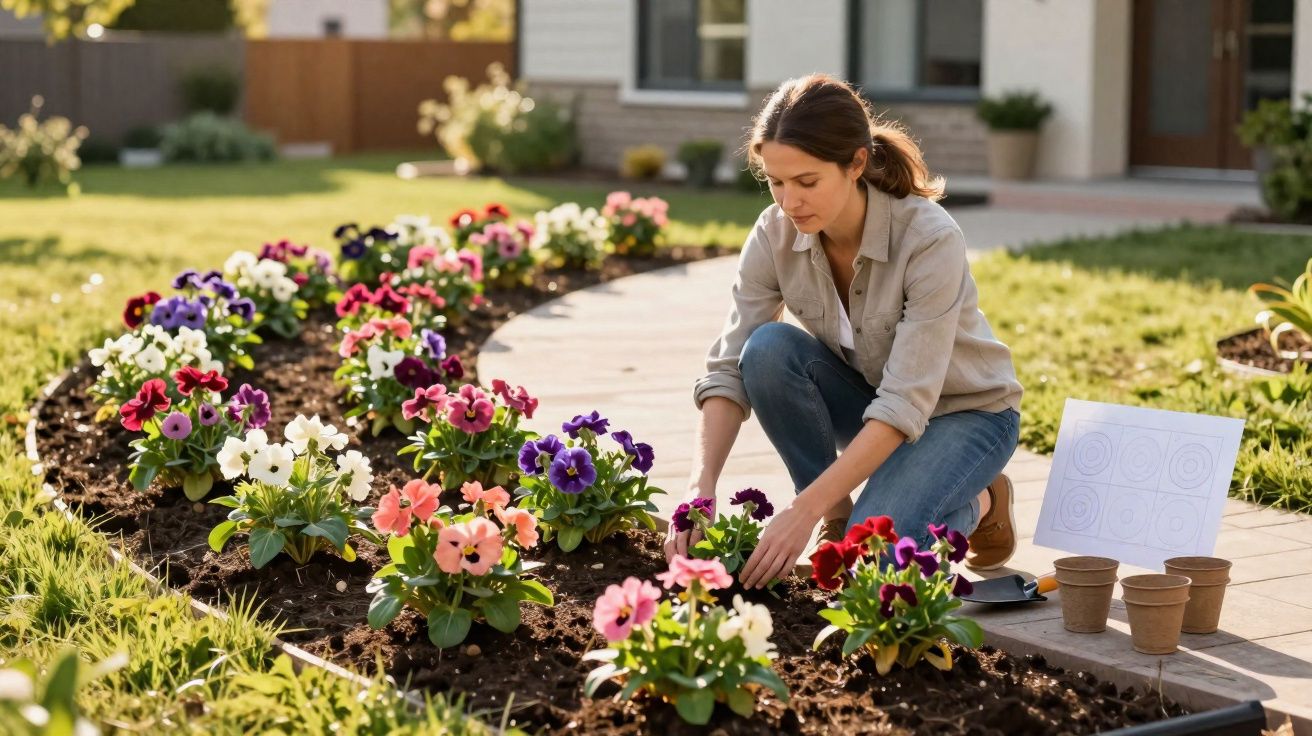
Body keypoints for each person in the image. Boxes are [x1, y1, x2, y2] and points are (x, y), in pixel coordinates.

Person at [663, 74, 1025, 589]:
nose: (789, 202)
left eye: (807, 182)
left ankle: (982, 496)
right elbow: (729, 366)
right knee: (766, 351)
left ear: (856, 163)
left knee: (873, 562)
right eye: (775, 182)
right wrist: (699, 488)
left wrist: (797, 511)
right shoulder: (774, 232)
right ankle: (836, 516)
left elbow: (905, 401)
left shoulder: (928, 239)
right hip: (873, 404)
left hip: (966, 416)